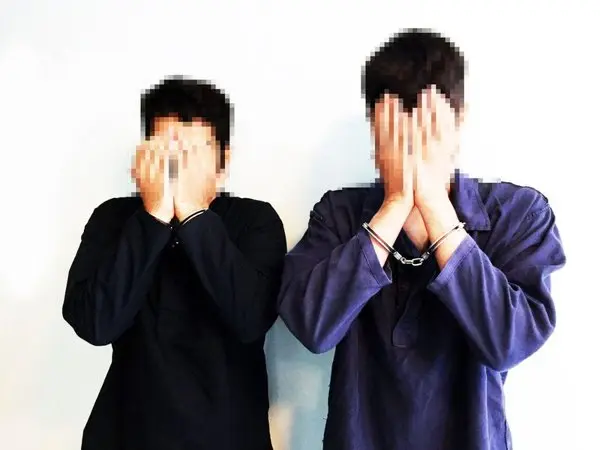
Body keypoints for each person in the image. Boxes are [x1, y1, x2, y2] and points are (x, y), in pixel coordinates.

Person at [277, 28, 566, 450]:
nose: (411, 145)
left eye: (428, 126)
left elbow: (510, 342)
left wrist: (433, 203)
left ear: (460, 121)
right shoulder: (339, 212)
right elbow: (312, 327)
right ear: (375, 131)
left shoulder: (518, 213)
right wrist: (395, 204)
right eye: (396, 127)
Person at [63, 76, 286, 450]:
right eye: (166, 151)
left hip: (228, 436)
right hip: (125, 435)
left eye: (193, 154)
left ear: (223, 161)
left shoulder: (254, 220)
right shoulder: (114, 218)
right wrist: (153, 216)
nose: (178, 167)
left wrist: (194, 215)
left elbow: (250, 318)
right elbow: (94, 324)